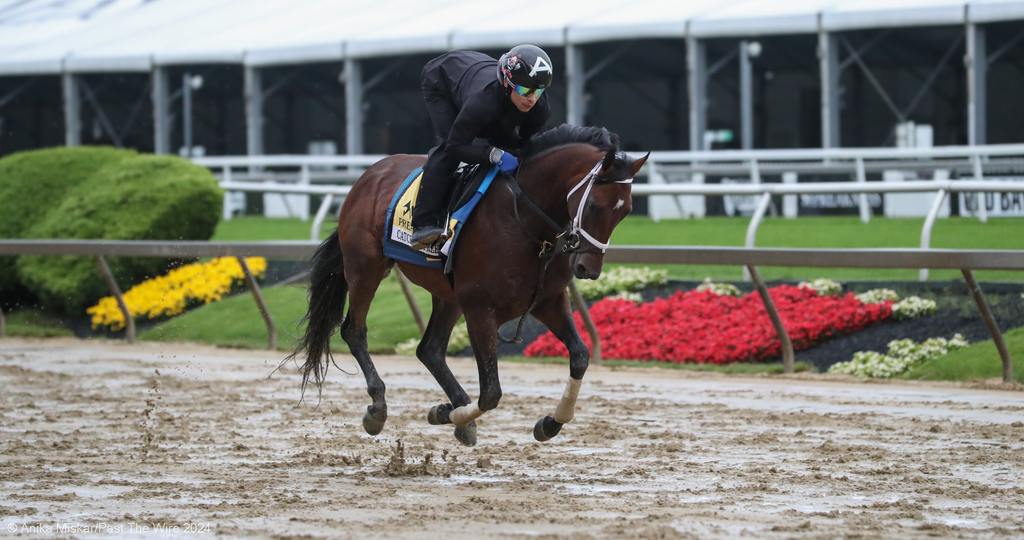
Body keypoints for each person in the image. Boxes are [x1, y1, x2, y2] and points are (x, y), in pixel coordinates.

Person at [409, 44, 553, 249]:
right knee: (448, 151)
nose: (531, 98)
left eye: (538, 91)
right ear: (507, 83)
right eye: (524, 90)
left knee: (513, 146)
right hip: (440, 81)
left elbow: (528, 146)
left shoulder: (539, 106)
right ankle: (423, 223)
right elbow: (455, 146)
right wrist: (492, 154)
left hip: (476, 78)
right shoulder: (482, 102)